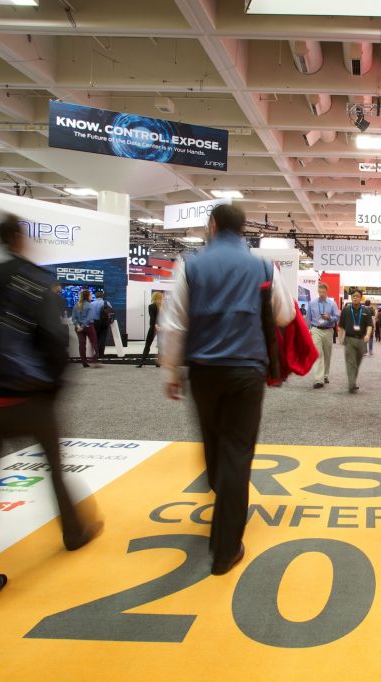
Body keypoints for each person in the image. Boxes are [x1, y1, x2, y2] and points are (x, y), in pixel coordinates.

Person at [0, 216, 102, 616]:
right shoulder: (37, 280)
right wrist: (53, 384)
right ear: (20, 238)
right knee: (54, 464)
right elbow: (54, 338)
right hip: (29, 394)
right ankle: (75, 530)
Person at [159, 203, 294, 576]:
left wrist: (171, 372)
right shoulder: (264, 267)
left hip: (203, 372)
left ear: (212, 226)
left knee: (214, 445)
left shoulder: (191, 265)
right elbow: (284, 314)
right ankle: (226, 546)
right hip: (247, 371)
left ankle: (225, 508)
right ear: (242, 228)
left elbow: (173, 324)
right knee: (238, 449)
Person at [306, 283, 339, 389]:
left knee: (327, 354)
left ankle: (325, 375)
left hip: (328, 330)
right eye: (320, 292)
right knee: (317, 354)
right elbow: (308, 318)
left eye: (323, 292)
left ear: (327, 292)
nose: (321, 294)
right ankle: (318, 380)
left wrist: (329, 318)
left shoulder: (332, 303)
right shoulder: (312, 303)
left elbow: (337, 317)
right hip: (316, 330)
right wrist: (307, 329)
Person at [340, 291, 375, 393]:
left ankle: (353, 381)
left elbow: (369, 325)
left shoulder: (366, 311)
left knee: (357, 362)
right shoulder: (346, 310)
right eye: (353, 296)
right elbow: (341, 325)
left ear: (361, 298)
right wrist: (340, 337)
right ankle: (352, 384)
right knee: (351, 362)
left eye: (357, 296)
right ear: (351, 298)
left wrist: (368, 335)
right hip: (349, 339)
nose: (355, 298)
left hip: (361, 340)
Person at [71, 289, 99, 367]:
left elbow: (73, 318)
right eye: (90, 295)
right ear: (88, 296)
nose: (91, 296)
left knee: (82, 344)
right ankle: (95, 359)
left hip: (78, 327)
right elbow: (89, 318)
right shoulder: (90, 305)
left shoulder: (76, 305)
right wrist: (83, 326)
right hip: (89, 326)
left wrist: (78, 326)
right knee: (94, 342)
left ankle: (84, 362)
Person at [137, 291, 163, 368]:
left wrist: (155, 325)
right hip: (162, 328)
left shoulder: (151, 306)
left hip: (153, 327)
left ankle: (142, 362)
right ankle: (158, 362)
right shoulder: (165, 306)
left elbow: (152, 318)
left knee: (148, 344)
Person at [91, 289, 113, 358]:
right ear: (102, 296)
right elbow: (111, 312)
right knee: (103, 338)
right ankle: (101, 354)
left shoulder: (92, 304)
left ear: (95, 296)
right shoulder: (107, 303)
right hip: (104, 322)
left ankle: (96, 353)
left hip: (95, 323)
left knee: (96, 338)